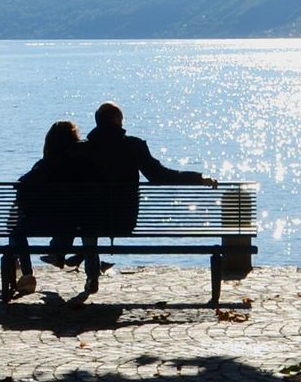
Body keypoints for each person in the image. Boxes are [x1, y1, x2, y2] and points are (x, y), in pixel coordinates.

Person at [83, 101, 218, 294]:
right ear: (117, 120)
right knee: (90, 218)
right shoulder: (134, 146)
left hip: (92, 221)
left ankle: (92, 275)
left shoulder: (83, 149)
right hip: (124, 221)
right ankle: (93, 273)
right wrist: (198, 178)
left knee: (87, 220)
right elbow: (160, 176)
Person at [8, 120, 90, 296]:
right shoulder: (80, 170)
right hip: (70, 224)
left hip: (39, 223)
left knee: (15, 225)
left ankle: (27, 274)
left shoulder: (44, 166)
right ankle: (58, 253)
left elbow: (22, 185)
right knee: (71, 217)